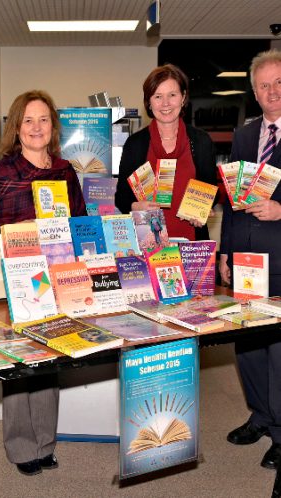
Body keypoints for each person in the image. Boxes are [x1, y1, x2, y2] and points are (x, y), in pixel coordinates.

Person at [0, 90, 86, 476]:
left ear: (53, 127)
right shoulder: (2, 174)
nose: (36, 127)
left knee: (48, 361)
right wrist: (11, 232)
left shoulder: (65, 171)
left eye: (43, 120)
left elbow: (80, 221)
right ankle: (22, 446)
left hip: (55, 279)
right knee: (19, 363)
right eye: (28, 120)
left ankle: (45, 442)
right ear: (16, 128)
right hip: (15, 281)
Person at [219, 49, 281, 471]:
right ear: (255, 92)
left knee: (279, 350)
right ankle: (261, 416)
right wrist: (225, 251)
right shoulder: (245, 135)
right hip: (245, 258)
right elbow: (230, 200)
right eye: (264, 85)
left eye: (279, 83)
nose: (272, 91)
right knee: (249, 347)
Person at [115, 64, 217, 241]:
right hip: (148, 243)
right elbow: (122, 197)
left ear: (183, 97)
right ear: (149, 101)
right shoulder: (135, 144)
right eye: (158, 96)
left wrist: (205, 208)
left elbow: (211, 190)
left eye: (172, 95)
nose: (165, 104)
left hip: (192, 244)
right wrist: (135, 206)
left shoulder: (201, 141)